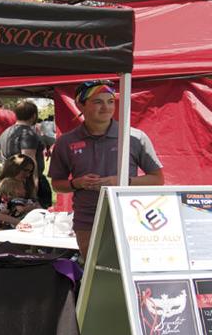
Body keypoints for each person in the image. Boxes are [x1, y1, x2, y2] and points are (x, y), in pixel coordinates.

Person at [49, 79, 164, 261]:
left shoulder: (134, 137)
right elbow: (57, 184)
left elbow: (157, 180)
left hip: (129, 217)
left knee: (128, 269)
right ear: (81, 105)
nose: (106, 108)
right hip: (87, 219)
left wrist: (121, 182)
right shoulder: (65, 142)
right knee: (93, 268)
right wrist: (75, 183)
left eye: (110, 101)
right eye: (97, 102)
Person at [0, 100, 53, 207]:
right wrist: (35, 183)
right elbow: (28, 160)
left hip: (10, 180)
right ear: (34, 116)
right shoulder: (27, 133)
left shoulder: (5, 132)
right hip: (25, 182)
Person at [0, 155, 41, 229]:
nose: (28, 175)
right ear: (14, 168)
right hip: (7, 227)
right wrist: (19, 223)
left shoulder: (26, 186)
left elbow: (37, 205)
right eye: (25, 170)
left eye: (30, 172)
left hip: (30, 225)